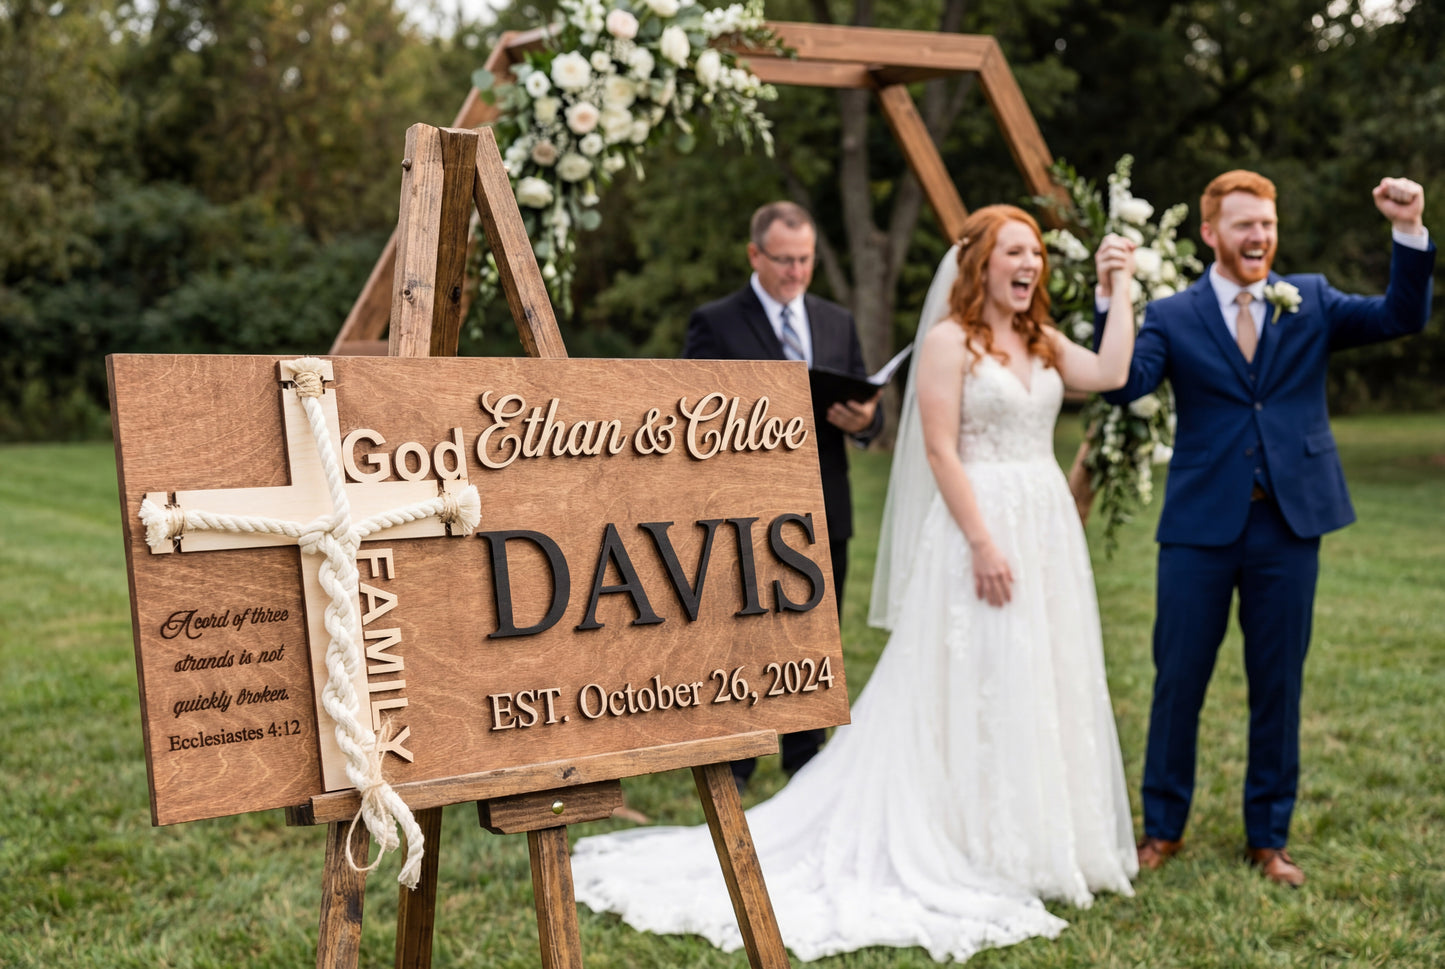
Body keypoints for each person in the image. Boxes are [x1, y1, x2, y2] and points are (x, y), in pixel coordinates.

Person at [570, 205, 1140, 961]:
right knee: (975, 672)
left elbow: (1111, 372)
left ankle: (1037, 837)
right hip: (981, 530)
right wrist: (981, 542)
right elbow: (939, 452)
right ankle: (964, 830)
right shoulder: (947, 342)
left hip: (1044, 532)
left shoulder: (1040, 339)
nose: (1026, 262)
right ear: (980, 264)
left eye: (1033, 251)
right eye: (1011, 250)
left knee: (1040, 671)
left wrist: (1119, 287)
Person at [1096, 172, 1434, 888]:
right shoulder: (1171, 314)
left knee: (1277, 682)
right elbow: (1124, 384)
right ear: (1210, 232)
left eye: (1267, 224)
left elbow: (1400, 316)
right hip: (1197, 527)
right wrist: (1111, 299)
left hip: (1289, 521)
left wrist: (1407, 229)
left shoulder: (1308, 298)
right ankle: (1161, 827)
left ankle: (1267, 836)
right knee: (1176, 679)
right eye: (1244, 224)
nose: (1258, 237)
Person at [683, 200, 882, 791]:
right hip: (745, 504)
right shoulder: (715, 322)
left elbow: (869, 409)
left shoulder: (835, 320)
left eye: (805, 260)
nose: (796, 272)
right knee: (743, 632)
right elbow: (691, 415)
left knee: (819, 630)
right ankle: (738, 757)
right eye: (785, 260)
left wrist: (863, 421)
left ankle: (806, 753)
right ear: (756, 255)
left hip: (827, 497)